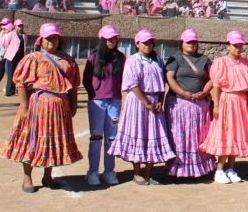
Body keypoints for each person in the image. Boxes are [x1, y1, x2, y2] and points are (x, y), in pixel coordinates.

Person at [0, 22, 82, 193]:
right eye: (48, 37)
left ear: (59, 39)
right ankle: (27, 178)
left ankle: (47, 176)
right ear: (41, 40)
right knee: (33, 140)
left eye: (54, 37)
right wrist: (23, 107)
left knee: (53, 141)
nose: (52, 40)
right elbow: (21, 83)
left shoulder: (68, 61)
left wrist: (73, 105)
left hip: (60, 108)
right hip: (37, 107)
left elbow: (73, 87)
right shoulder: (34, 58)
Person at [108, 30, 175, 185]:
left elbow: (161, 84)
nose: (148, 45)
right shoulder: (133, 60)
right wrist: (147, 103)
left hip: (154, 103)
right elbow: (133, 84)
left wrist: (159, 101)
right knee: (138, 133)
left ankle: (149, 172)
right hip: (138, 102)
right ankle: (137, 172)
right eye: (144, 42)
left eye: (150, 42)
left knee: (153, 134)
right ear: (137, 43)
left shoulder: (158, 60)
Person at [199, 31, 248, 184]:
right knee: (226, 134)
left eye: (240, 45)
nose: (238, 48)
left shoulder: (245, 63)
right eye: (235, 45)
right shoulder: (221, 62)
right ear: (228, 46)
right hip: (227, 100)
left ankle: (231, 168)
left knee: (237, 134)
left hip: (241, 102)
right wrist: (217, 105)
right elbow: (216, 85)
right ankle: (219, 170)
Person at [164, 29, 215, 180]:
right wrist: (184, 93)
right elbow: (170, 78)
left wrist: (204, 93)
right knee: (179, 137)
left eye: (194, 42)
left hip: (199, 106)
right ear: (182, 43)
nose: (191, 44)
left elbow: (213, 78)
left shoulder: (204, 59)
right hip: (179, 105)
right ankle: (178, 170)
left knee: (199, 137)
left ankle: (199, 169)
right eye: (188, 42)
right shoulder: (175, 58)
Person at [82, 24, 126, 186]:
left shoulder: (120, 57)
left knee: (112, 139)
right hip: (97, 102)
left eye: (114, 38)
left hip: (114, 101)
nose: (112, 41)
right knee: (96, 137)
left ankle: (109, 171)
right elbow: (86, 80)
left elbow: (122, 78)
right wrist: (95, 94)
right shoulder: (93, 58)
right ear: (102, 40)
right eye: (108, 39)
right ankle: (93, 172)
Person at [3, 19, 28, 97]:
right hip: (11, 57)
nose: (20, 27)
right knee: (10, 74)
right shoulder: (11, 34)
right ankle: (9, 91)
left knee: (17, 74)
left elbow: (24, 46)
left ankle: (15, 90)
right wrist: (7, 52)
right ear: (15, 26)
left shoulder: (24, 35)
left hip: (20, 57)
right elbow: (6, 44)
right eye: (19, 25)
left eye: (21, 25)